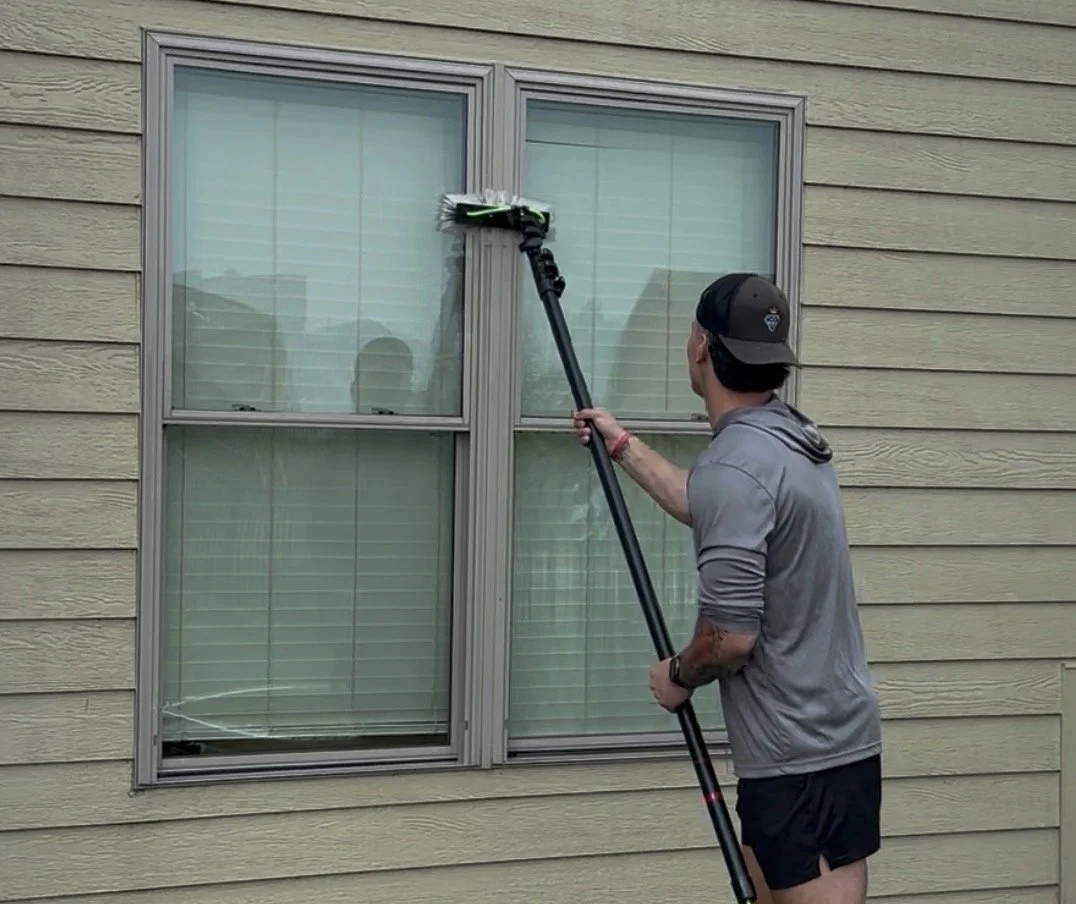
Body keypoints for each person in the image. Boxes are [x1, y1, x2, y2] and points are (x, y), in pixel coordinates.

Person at [572, 273, 882, 904]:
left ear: (699, 346)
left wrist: (678, 676)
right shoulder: (789, 438)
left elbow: (732, 639)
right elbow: (703, 500)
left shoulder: (737, 468)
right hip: (824, 736)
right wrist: (622, 446)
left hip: (802, 756)